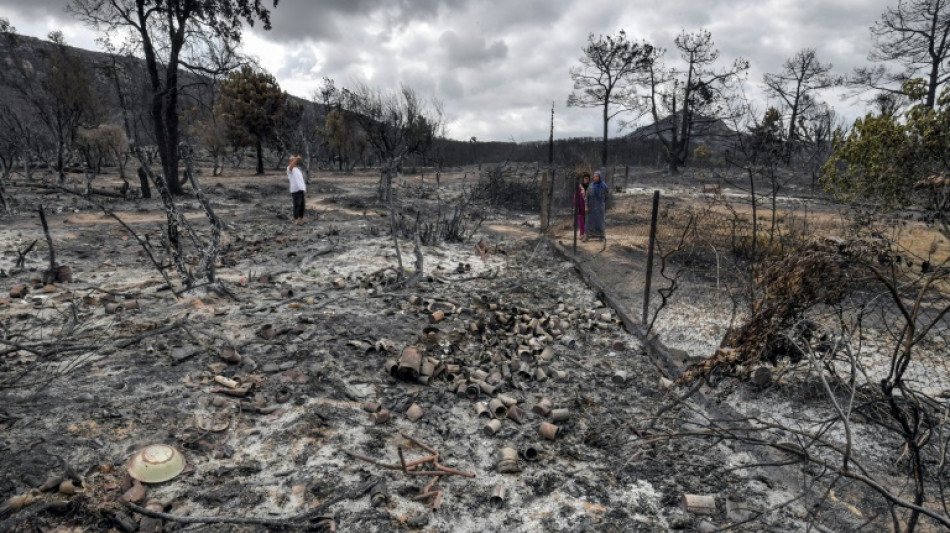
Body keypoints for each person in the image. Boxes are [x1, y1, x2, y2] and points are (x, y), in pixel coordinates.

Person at [585, 170, 608, 241]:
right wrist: (586, 206)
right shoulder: (591, 185)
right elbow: (586, 196)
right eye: (594, 176)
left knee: (600, 221)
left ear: (599, 177)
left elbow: (607, 195)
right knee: (589, 221)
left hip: (599, 206)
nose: (594, 178)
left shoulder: (604, 186)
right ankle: (587, 236)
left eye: (596, 176)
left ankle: (601, 236)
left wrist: (602, 203)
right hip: (591, 206)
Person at [287, 155, 306, 224]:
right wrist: (297, 158)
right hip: (295, 190)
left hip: (301, 189)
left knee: (302, 205)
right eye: (292, 160)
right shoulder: (289, 168)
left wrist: (304, 189)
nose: (295, 161)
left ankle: (301, 218)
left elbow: (301, 180)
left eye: (294, 159)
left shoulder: (297, 170)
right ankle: (296, 219)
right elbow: (291, 166)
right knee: (296, 204)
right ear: (290, 161)